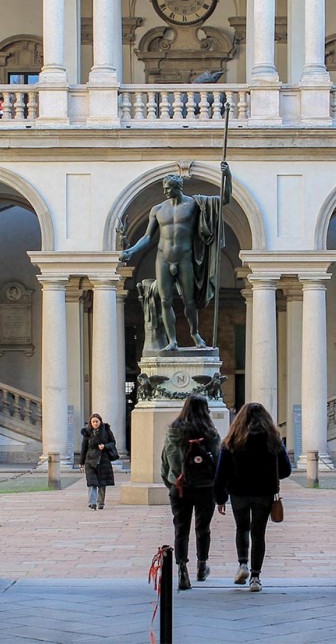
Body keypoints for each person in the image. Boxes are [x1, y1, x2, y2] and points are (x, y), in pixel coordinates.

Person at [119, 161, 232, 351]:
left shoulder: (194, 205)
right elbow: (147, 237)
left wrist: (227, 176)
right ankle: (172, 341)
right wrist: (131, 251)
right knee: (165, 300)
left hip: (184, 257)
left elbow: (224, 199)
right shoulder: (157, 210)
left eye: (168, 188)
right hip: (163, 258)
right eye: (164, 188)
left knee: (189, 300)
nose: (165, 191)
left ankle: (195, 334)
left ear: (178, 187)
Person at [214, 402, 291, 592]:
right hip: (264, 492)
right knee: (259, 533)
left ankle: (243, 565)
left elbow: (221, 473)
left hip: (238, 492)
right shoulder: (273, 440)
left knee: (242, 529)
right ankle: (256, 577)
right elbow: (285, 470)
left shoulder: (232, 441)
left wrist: (220, 498)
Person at [161, 394, 220, 590]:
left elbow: (165, 462)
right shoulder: (210, 433)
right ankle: (202, 566)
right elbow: (218, 463)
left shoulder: (173, 432)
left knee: (181, 529)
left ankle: (181, 568)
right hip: (205, 487)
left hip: (180, 488)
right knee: (203, 528)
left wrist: (171, 483)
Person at [79, 413, 116, 510]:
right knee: (92, 482)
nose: (95, 423)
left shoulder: (106, 430)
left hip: (103, 459)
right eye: (93, 422)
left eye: (97, 421)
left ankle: (101, 502)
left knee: (102, 483)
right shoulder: (87, 432)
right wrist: (81, 462)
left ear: (100, 421)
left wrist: (105, 446)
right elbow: (84, 447)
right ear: (91, 423)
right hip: (90, 460)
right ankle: (92, 502)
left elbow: (113, 442)